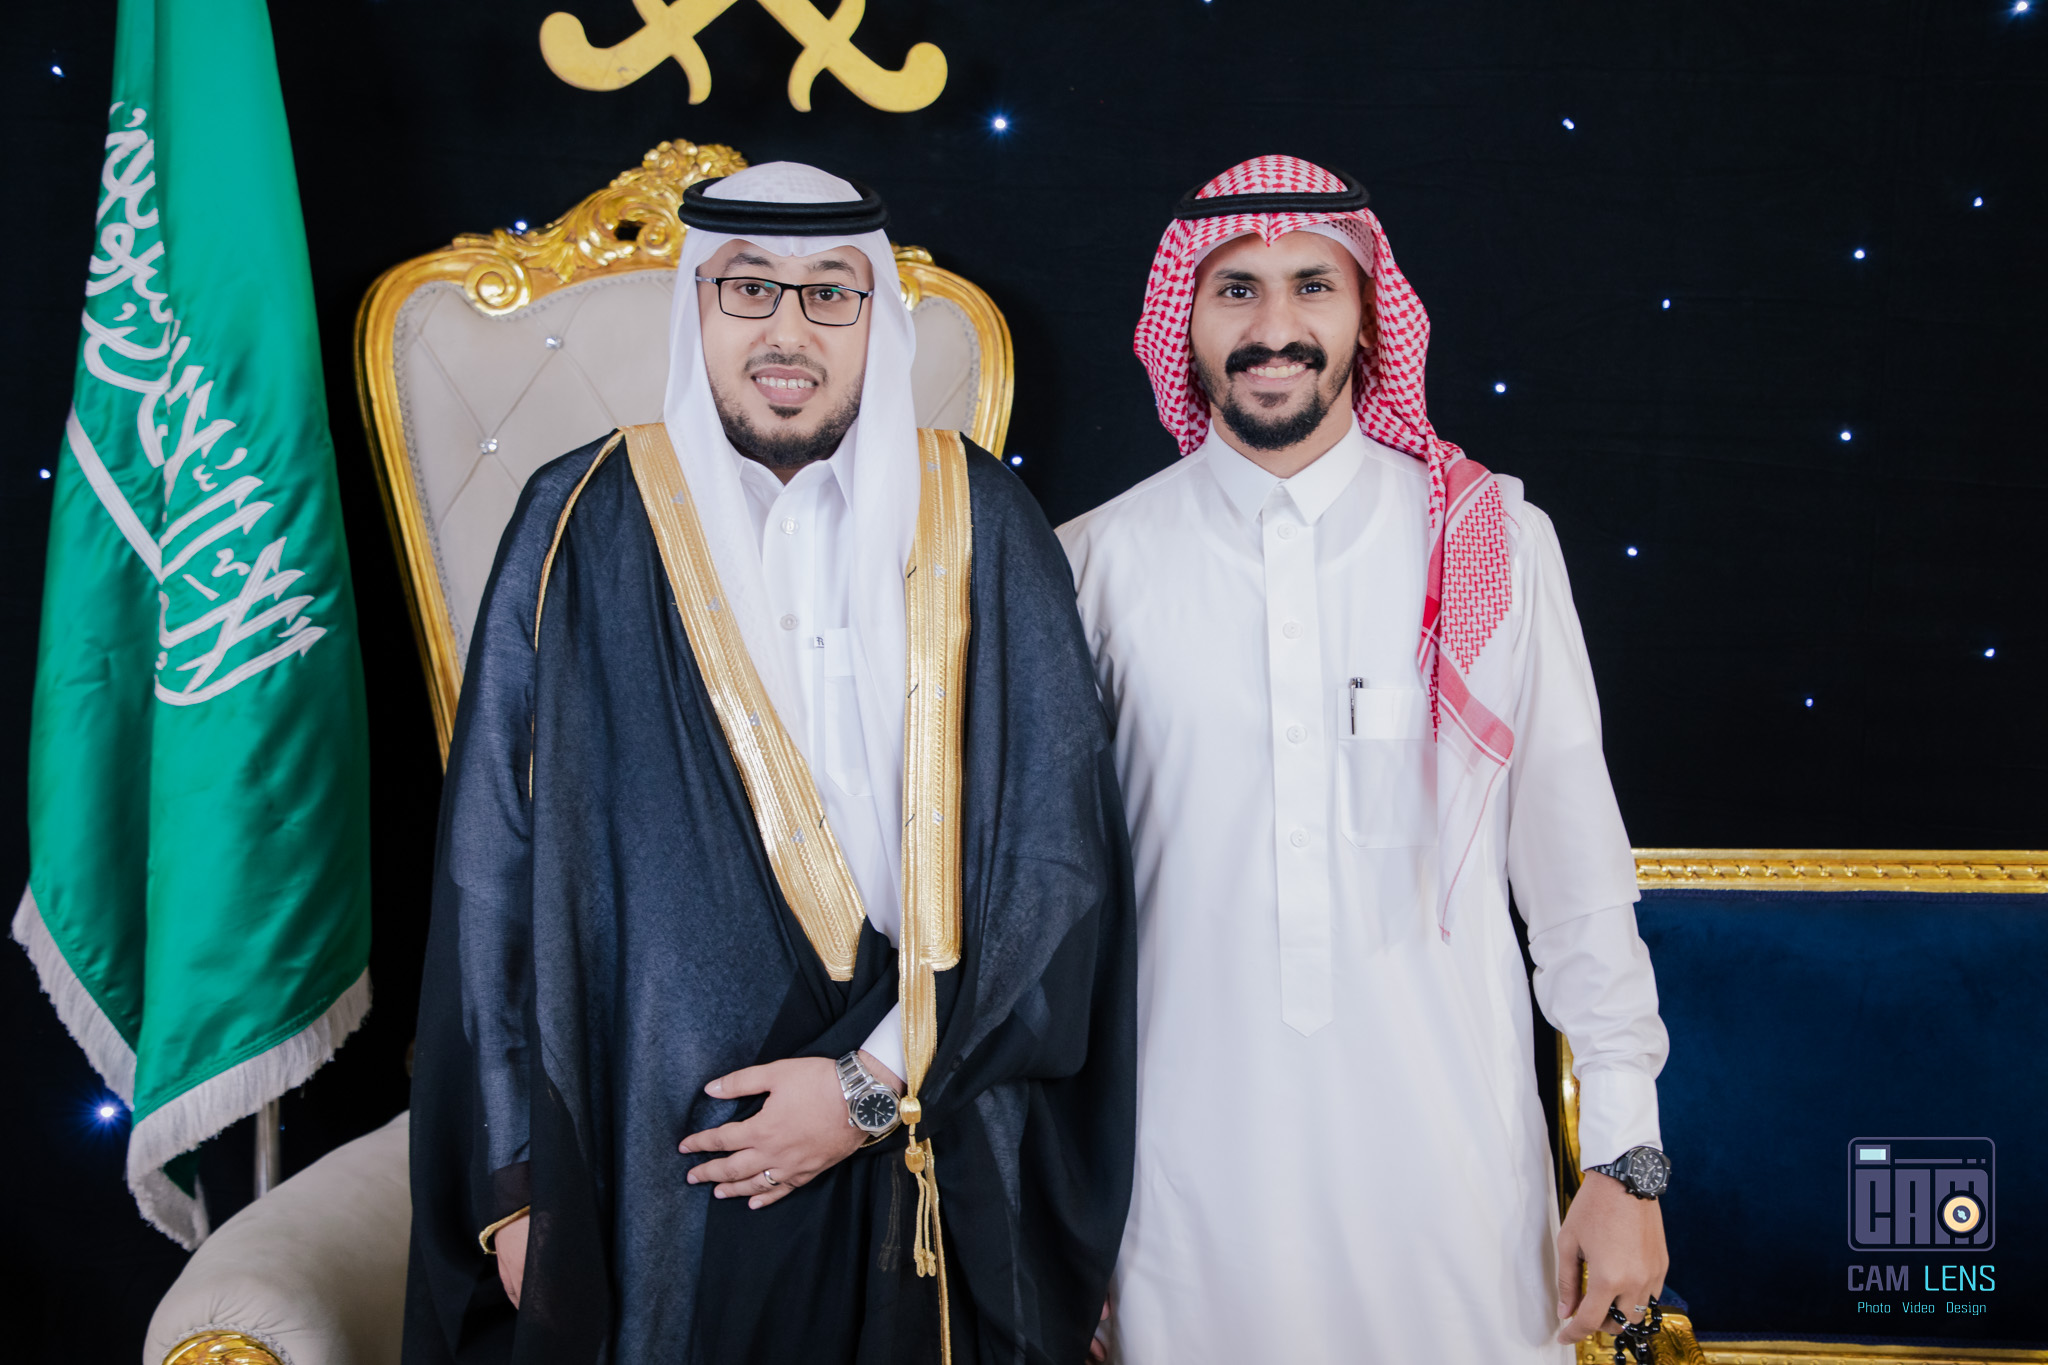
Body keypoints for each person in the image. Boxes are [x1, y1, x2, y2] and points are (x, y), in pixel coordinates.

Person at [404, 161, 1135, 1365]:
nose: (787, 331)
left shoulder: (980, 518)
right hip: (644, 1154)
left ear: (874, 317)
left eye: (830, 292)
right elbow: (492, 866)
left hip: (926, 1125)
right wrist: (518, 1183)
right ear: (695, 305)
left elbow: (1054, 862)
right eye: (748, 288)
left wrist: (869, 1086)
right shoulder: (575, 518)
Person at [1057, 155, 1671, 1363]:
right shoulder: (1092, 563)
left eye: (1311, 286)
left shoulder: (1492, 540)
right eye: (1234, 290)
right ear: (1182, 320)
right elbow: (1053, 928)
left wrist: (1622, 1158)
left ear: (1368, 316)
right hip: (1180, 1197)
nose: (1273, 328)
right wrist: (1059, 1221)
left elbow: (1575, 881)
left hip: (1451, 1186)